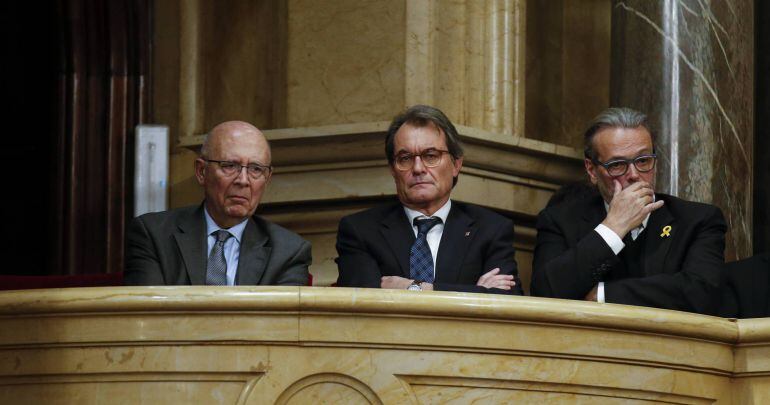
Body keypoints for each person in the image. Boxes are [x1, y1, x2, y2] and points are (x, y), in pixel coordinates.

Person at [531, 107, 726, 314]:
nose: (634, 175)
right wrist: (613, 227)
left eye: (643, 161)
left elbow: (702, 293)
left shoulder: (697, 220)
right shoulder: (559, 220)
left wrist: (602, 295)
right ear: (592, 170)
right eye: (617, 165)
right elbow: (545, 292)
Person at [335, 105, 522, 294]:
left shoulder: (490, 229)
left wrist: (417, 288)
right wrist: (476, 291)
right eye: (405, 158)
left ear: (456, 164)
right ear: (392, 169)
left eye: (430, 156)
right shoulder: (360, 230)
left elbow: (509, 300)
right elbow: (363, 302)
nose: (418, 168)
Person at [125, 121, 311, 286]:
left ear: (267, 178)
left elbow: (284, 324)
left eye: (255, 169)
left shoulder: (289, 252)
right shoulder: (153, 235)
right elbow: (148, 316)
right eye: (229, 166)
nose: (243, 180)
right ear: (201, 172)